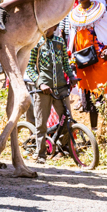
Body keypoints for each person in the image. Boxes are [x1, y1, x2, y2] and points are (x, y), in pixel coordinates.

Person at [66, 0, 107, 129]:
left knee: (101, 95)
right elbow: (73, 38)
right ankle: (95, 129)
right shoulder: (74, 13)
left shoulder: (100, 12)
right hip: (82, 61)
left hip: (99, 60)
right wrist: (71, 56)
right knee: (88, 96)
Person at [24, 25, 77, 159]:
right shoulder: (36, 43)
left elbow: (66, 63)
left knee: (66, 120)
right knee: (41, 123)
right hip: (44, 91)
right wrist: (40, 84)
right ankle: (40, 153)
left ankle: (61, 148)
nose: (46, 28)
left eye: (51, 26)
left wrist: (71, 77)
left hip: (61, 89)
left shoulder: (60, 42)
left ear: (55, 27)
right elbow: (30, 68)